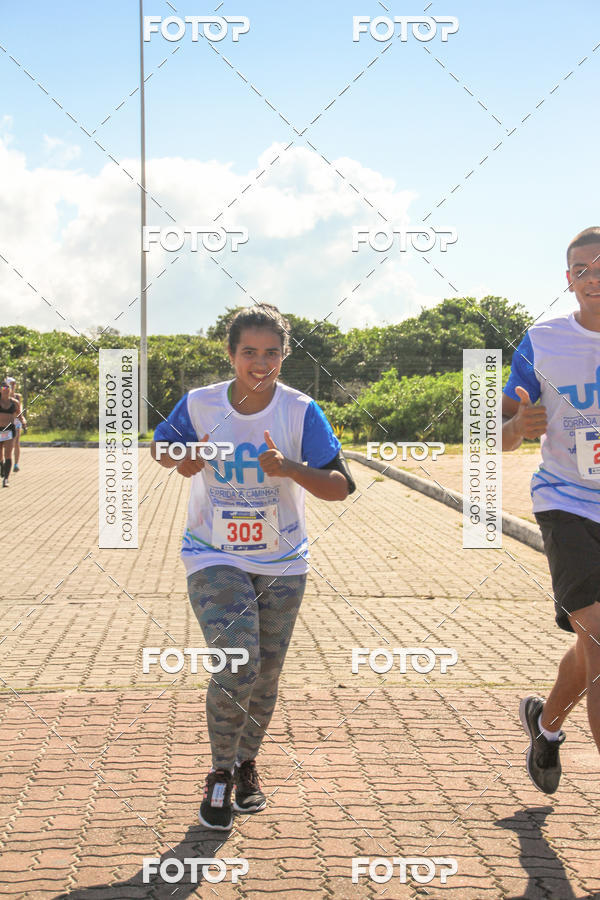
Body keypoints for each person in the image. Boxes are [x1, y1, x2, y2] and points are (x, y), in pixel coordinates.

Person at [151, 304, 355, 830]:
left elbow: (339, 487)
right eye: (249, 352)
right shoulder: (200, 403)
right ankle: (220, 771)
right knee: (237, 661)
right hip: (212, 553)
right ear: (230, 353)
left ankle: (246, 764)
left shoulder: (300, 410)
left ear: (284, 356)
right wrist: (183, 459)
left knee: (265, 674)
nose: (260, 363)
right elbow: (161, 447)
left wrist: (289, 468)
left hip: (282, 562)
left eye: (271, 353)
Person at [502, 226, 600, 794]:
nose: (594, 278)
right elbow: (495, 433)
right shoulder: (542, 341)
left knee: (593, 643)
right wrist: (518, 425)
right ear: (568, 280)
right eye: (582, 269)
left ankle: (546, 725)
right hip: (566, 502)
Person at [0, 380, 20, 488]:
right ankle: (2, 466)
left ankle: (6, 479)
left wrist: (23, 421)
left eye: (8, 388)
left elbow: (19, 415)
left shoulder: (15, 402)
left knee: (8, 453)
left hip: (9, 430)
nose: (6, 390)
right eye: (3, 388)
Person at [6, 377, 26, 471]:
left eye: (14, 384)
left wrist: (22, 419)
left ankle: (16, 464)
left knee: (16, 442)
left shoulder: (18, 396)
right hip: (6, 423)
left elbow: (19, 410)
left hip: (16, 422)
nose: (13, 386)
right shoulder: (3, 397)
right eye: (11, 384)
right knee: (6, 444)